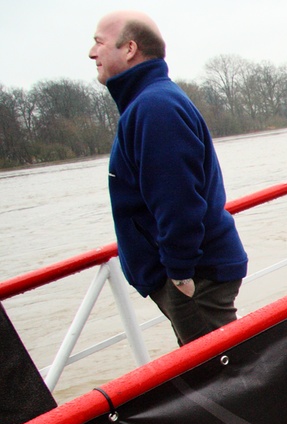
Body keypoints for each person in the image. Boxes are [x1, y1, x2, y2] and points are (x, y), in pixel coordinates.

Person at [89, 10, 247, 346]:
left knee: (224, 378)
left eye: (98, 43)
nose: (92, 53)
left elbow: (178, 202)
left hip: (195, 279)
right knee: (225, 374)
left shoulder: (155, 108)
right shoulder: (147, 103)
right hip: (193, 276)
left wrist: (179, 274)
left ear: (129, 48)